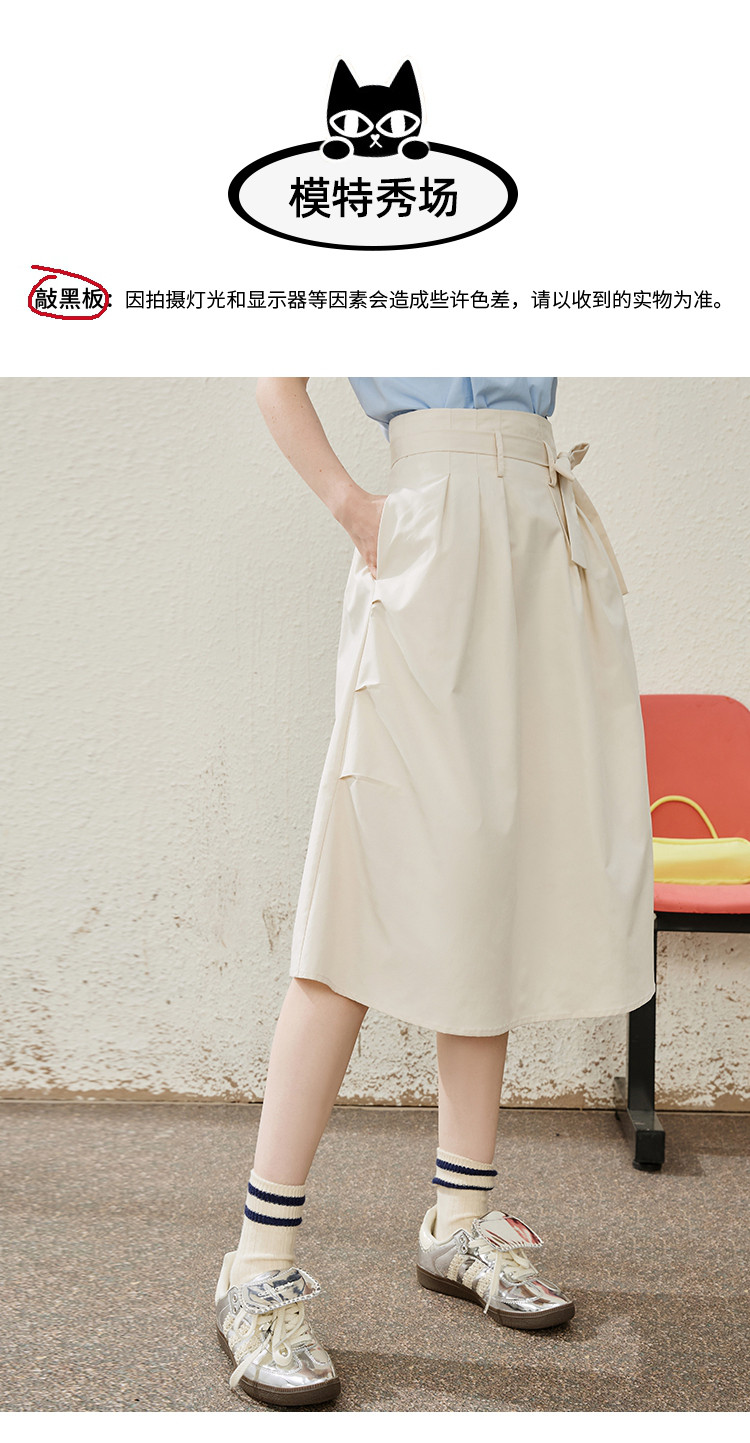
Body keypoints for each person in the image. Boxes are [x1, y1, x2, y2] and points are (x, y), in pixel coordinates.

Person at [214, 378, 656, 1408]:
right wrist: (352, 506)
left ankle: (460, 1220)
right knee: (359, 889)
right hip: (429, 535)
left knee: (487, 878)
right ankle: (256, 1261)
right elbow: (276, 373)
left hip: (540, 531)